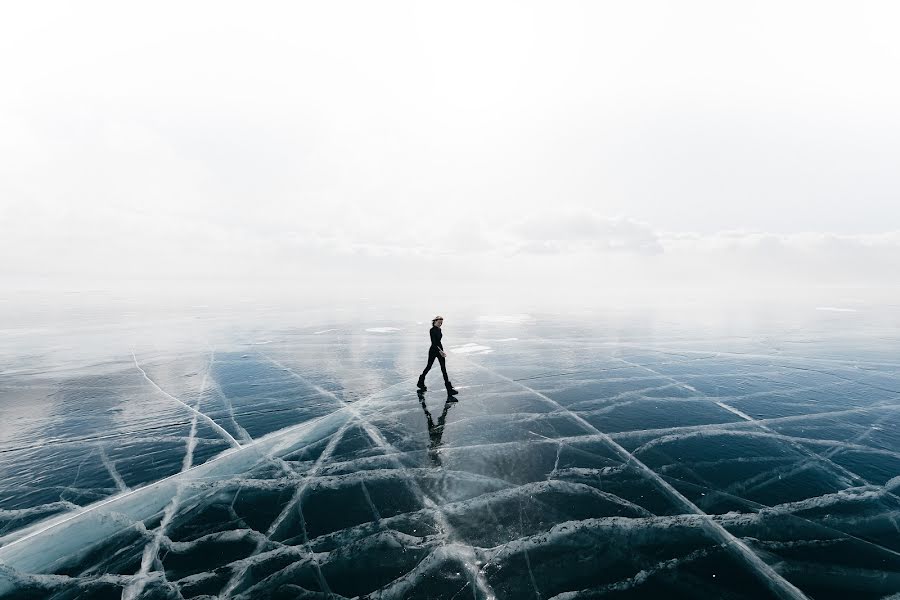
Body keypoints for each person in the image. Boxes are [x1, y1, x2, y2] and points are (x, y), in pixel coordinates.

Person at [417, 315, 459, 397]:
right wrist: (440, 351)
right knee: (429, 366)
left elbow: (439, 341)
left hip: (440, 350)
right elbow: (434, 343)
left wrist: (442, 351)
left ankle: (449, 389)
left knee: (444, 369)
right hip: (433, 350)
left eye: (441, 323)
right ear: (435, 321)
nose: (440, 324)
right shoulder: (432, 330)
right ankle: (420, 381)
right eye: (439, 322)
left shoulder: (439, 329)